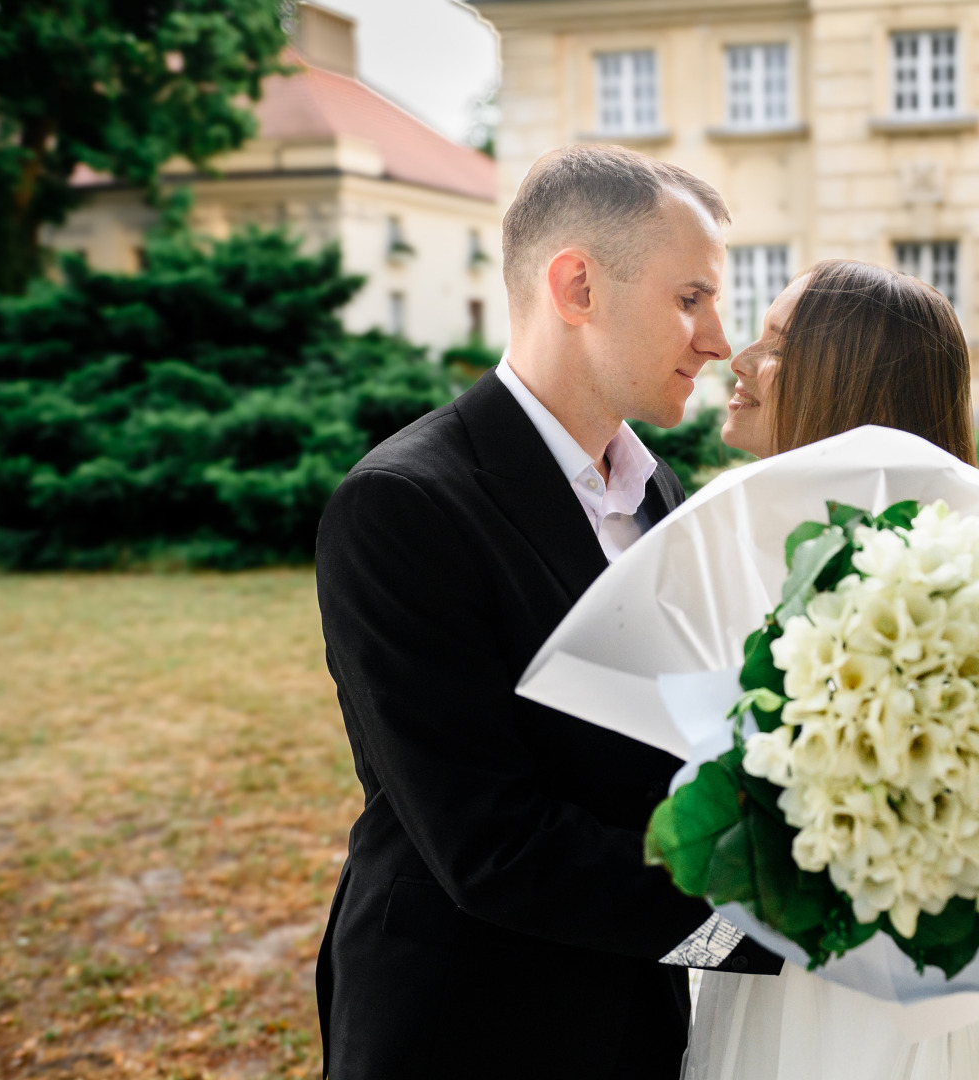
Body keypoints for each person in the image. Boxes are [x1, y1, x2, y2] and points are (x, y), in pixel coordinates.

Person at [312, 145, 781, 1080]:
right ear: (576, 287)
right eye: (690, 298)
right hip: (467, 1028)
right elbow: (493, 847)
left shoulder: (662, 494)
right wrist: (772, 923)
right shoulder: (404, 506)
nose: (717, 339)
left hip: (636, 1022)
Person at [690, 259, 979, 1080]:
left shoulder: (943, 531)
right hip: (777, 943)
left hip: (861, 971)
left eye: (773, 344)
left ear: (846, 375)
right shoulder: (746, 517)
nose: (738, 359)